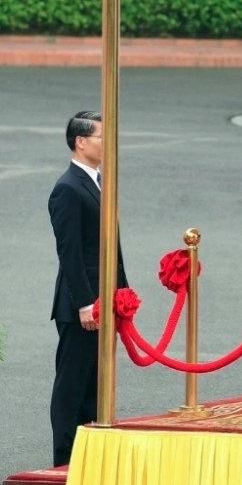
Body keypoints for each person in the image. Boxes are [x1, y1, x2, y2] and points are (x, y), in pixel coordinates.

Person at [50, 111, 128, 466]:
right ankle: (64, 459)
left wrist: (122, 292)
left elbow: (111, 245)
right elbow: (69, 251)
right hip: (80, 305)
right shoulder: (67, 188)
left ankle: (89, 455)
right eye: (101, 137)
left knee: (96, 385)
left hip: (105, 299)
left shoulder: (100, 181)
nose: (107, 144)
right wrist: (85, 303)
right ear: (81, 142)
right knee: (72, 385)